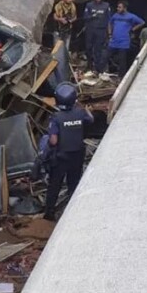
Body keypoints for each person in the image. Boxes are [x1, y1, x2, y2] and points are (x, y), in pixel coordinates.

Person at [42, 82, 94, 221]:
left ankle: (49, 214)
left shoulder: (56, 118)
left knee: (55, 185)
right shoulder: (80, 113)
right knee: (74, 184)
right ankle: (73, 213)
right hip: (77, 155)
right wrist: (82, 107)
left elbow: (53, 140)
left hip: (61, 157)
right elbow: (90, 119)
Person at [82, 0, 112, 84]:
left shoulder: (106, 6)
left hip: (101, 30)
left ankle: (98, 68)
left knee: (98, 49)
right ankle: (89, 66)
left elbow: (109, 20)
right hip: (90, 30)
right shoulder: (89, 5)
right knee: (88, 48)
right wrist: (93, 16)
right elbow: (85, 17)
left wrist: (109, 33)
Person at [107, 1, 145, 77]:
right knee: (105, 56)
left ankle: (121, 76)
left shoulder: (131, 16)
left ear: (124, 8)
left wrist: (133, 29)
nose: (118, 9)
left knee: (122, 60)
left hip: (124, 42)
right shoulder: (115, 15)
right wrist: (110, 34)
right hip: (114, 41)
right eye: (117, 7)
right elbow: (110, 23)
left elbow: (142, 22)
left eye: (120, 7)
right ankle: (102, 71)